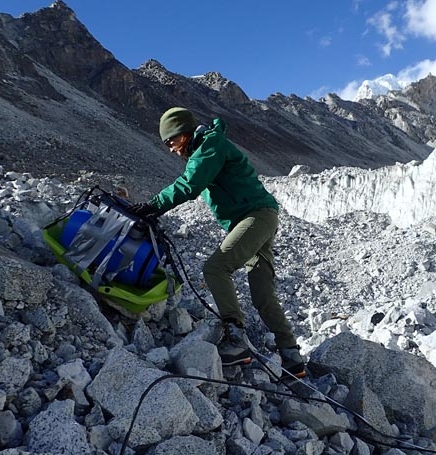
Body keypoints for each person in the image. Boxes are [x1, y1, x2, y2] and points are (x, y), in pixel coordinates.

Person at [128, 107, 305, 378]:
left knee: (215, 268)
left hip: (255, 216)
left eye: (171, 141)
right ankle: (291, 355)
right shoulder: (206, 148)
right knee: (262, 293)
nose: (171, 150)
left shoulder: (210, 145)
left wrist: (153, 205)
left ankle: (236, 339)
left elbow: (190, 184)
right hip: (258, 218)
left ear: (183, 132)